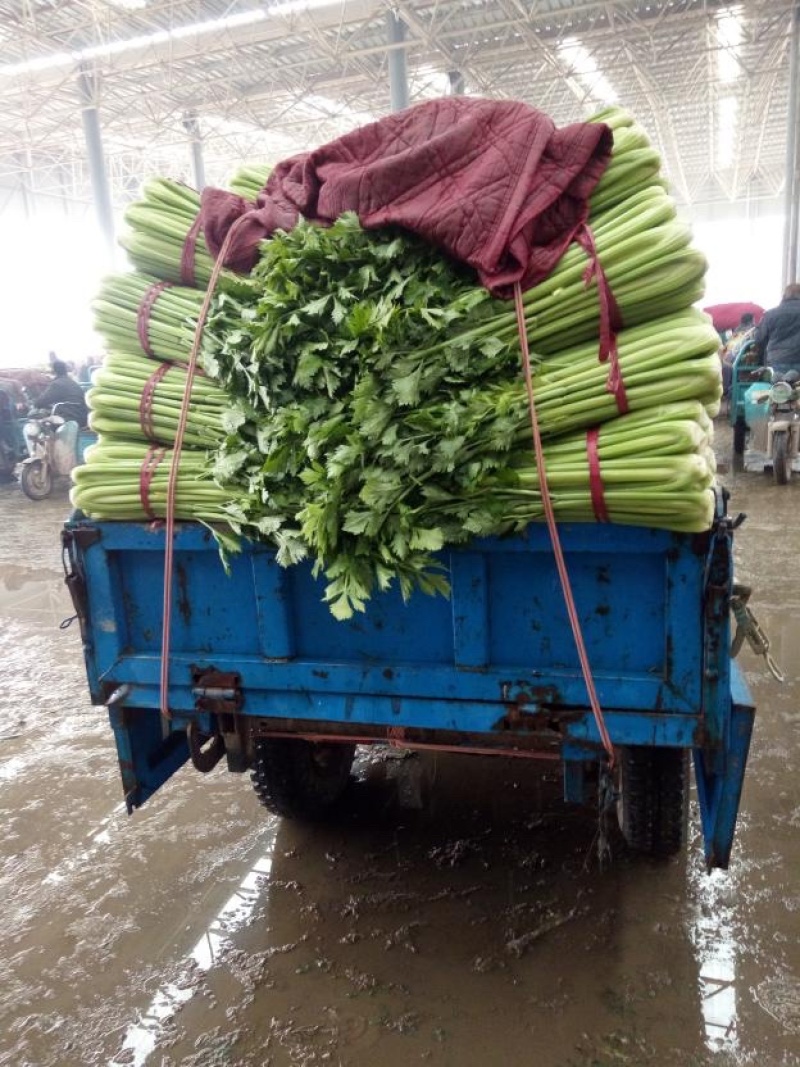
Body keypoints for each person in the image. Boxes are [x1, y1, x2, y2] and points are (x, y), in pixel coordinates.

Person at [754, 283, 800, 376]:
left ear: (784, 296)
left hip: (777, 361)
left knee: (778, 388)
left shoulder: (770, 314)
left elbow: (759, 338)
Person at [34, 359, 89, 427]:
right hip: (82, 417)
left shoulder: (56, 384)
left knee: (38, 419)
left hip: (68, 419)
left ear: (53, 372)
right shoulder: (71, 382)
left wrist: (35, 403)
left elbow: (40, 402)